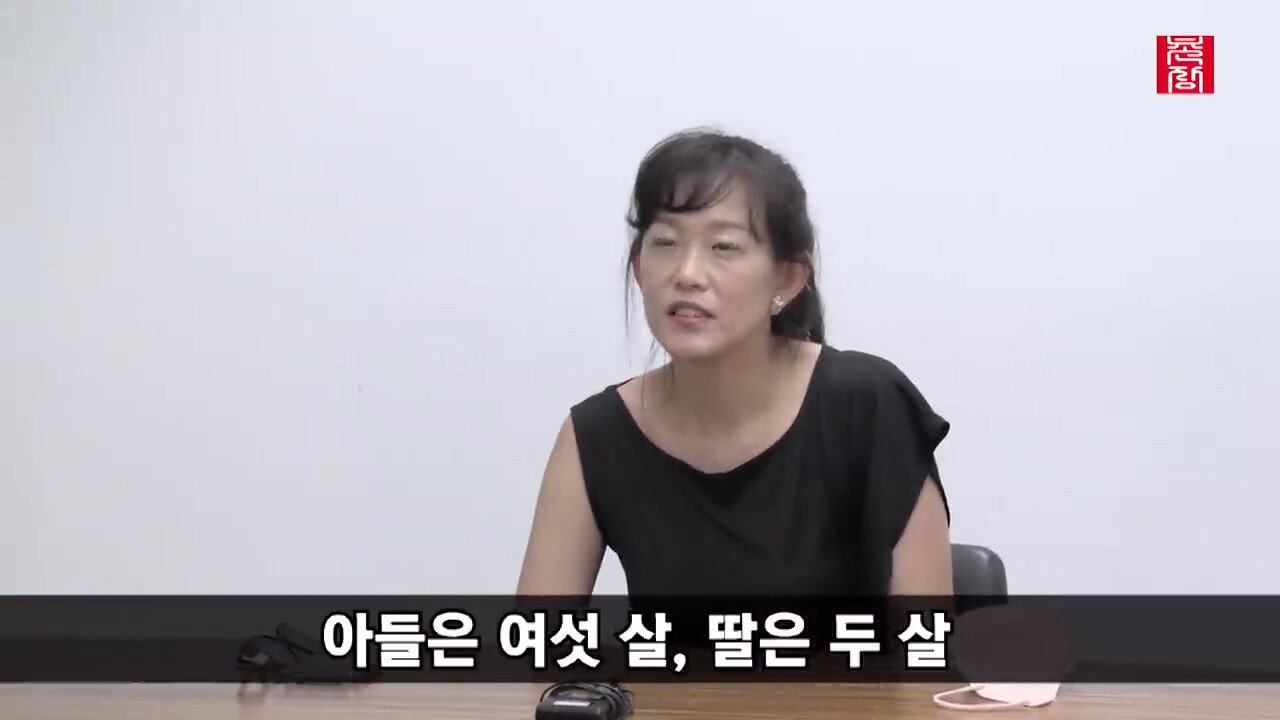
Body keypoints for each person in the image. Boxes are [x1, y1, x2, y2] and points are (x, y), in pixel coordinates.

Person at [516, 128, 953, 598]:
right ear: (639, 270)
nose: (687, 274)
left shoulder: (867, 404)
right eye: (665, 242)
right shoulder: (596, 435)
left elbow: (924, 638)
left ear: (787, 280)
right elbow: (538, 637)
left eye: (723, 246)